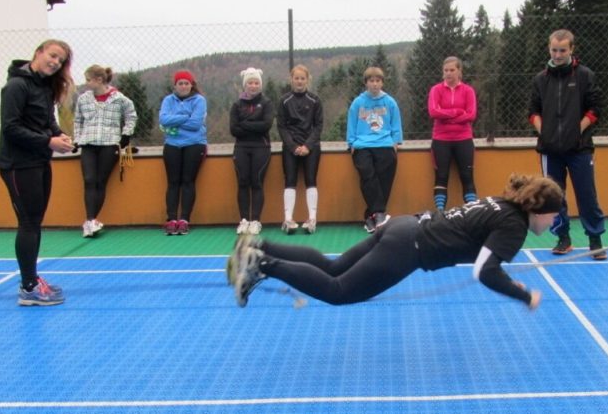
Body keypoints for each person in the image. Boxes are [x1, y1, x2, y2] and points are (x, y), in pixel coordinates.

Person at [228, 174, 564, 309]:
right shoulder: (514, 226)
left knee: (333, 267)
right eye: (553, 216)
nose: (553, 223)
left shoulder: (505, 205)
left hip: (404, 225)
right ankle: (262, 263)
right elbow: (485, 272)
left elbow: (487, 263)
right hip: (409, 247)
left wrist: (505, 278)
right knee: (339, 291)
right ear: (539, 210)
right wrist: (523, 295)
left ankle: (261, 247)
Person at [0, 39, 75, 306]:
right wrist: (48, 142)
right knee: (28, 222)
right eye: (52, 56)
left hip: (39, 161)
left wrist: (58, 135)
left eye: (60, 60)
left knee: (35, 221)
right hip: (18, 164)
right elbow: (11, 128)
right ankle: (28, 288)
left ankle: (32, 279)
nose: (55, 62)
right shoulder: (16, 86)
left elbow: (47, 121)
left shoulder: (44, 86)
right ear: (39, 53)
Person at [528, 29, 607, 260]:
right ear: (549, 49)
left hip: (579, 149)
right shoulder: (540, 79)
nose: (558, 54)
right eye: (554, 50)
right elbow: (533, 112)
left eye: (563, 50)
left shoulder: (584, 76)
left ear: (571, 49)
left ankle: (595, 240)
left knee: (587, 195)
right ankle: (563, 237)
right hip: (550, 151)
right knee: (554, 196)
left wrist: (576, 130)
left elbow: (595, 109)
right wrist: (546, 133)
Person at [74, 64, 137, 238]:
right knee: (89, 180)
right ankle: (90, 220)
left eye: (88, 80)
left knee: (101, 181)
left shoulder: (119, 98)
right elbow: (78, 120)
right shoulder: (83, 99)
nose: (86, 83)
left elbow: (131, 116)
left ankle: (92, 220)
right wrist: (77, 139)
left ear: (99, 80)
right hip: (88, 143)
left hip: (109, 144)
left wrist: (126, 135)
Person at [346, 66, 403, 233]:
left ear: (382, 83)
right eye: (371, 81)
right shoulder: (358, 102)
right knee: (368, 176)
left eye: (378, 81)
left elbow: (396, 124)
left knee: (384, 177)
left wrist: (395, 143)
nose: (375, 84)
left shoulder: (390, 102)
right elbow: (351, 124)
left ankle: (371, 216)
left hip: (384, 144)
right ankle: (379, 213)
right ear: (366, 83)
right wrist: (351, 144)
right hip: (362, 145)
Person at [159, 70, 208, 235]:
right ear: (175, 85)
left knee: (188, 181)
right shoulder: (168, 100)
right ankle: (171, 219)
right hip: (172, 144)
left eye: (187, 83)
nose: (184, 86)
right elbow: (163, 120)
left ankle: (185, 219)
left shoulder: (199, 100)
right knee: (173, 182)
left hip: (194, 144)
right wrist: (185, 116)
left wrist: (175, 120)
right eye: (180, 83)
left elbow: (195, 124)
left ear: (191, 85)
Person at [276, 65, 324, 234]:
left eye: (302, 78)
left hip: (311, 147)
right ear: (291, 80)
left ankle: (312, 218)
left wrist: (308, 146)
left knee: (311, 180)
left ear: (307, 80)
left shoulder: (315, 100)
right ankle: (288, 219)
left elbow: (318, 126)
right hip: (291, 148)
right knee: (290, 180)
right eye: (296, 78)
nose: (299, 81)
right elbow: (281, 126)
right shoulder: (284, 101)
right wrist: (293, 146)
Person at [427, 56, 478, 210]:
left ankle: (472, 213)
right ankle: (440, 214)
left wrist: (447, 116)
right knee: (441, 177)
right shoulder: (436, 90)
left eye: (452, 70)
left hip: (464, 139)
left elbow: (471, 115)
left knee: (467, 177)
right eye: (445, 70)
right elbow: (433, 112)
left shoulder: (468, 91)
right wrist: (456, 112)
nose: (448, 73)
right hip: (441, 140)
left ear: (459, 71)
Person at [230, 67, 274, 235]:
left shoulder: (267, 103)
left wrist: (245, 123)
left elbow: (266, 125)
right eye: (250, 83)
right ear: (245, 85)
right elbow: (234, 129)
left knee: (256, 182)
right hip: (241, 147)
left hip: (261, 147)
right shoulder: (237, 104)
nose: (253, 86)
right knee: (242, 182)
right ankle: (244, 220)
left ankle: (255, 220)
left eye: (256, 83)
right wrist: (253, 125)